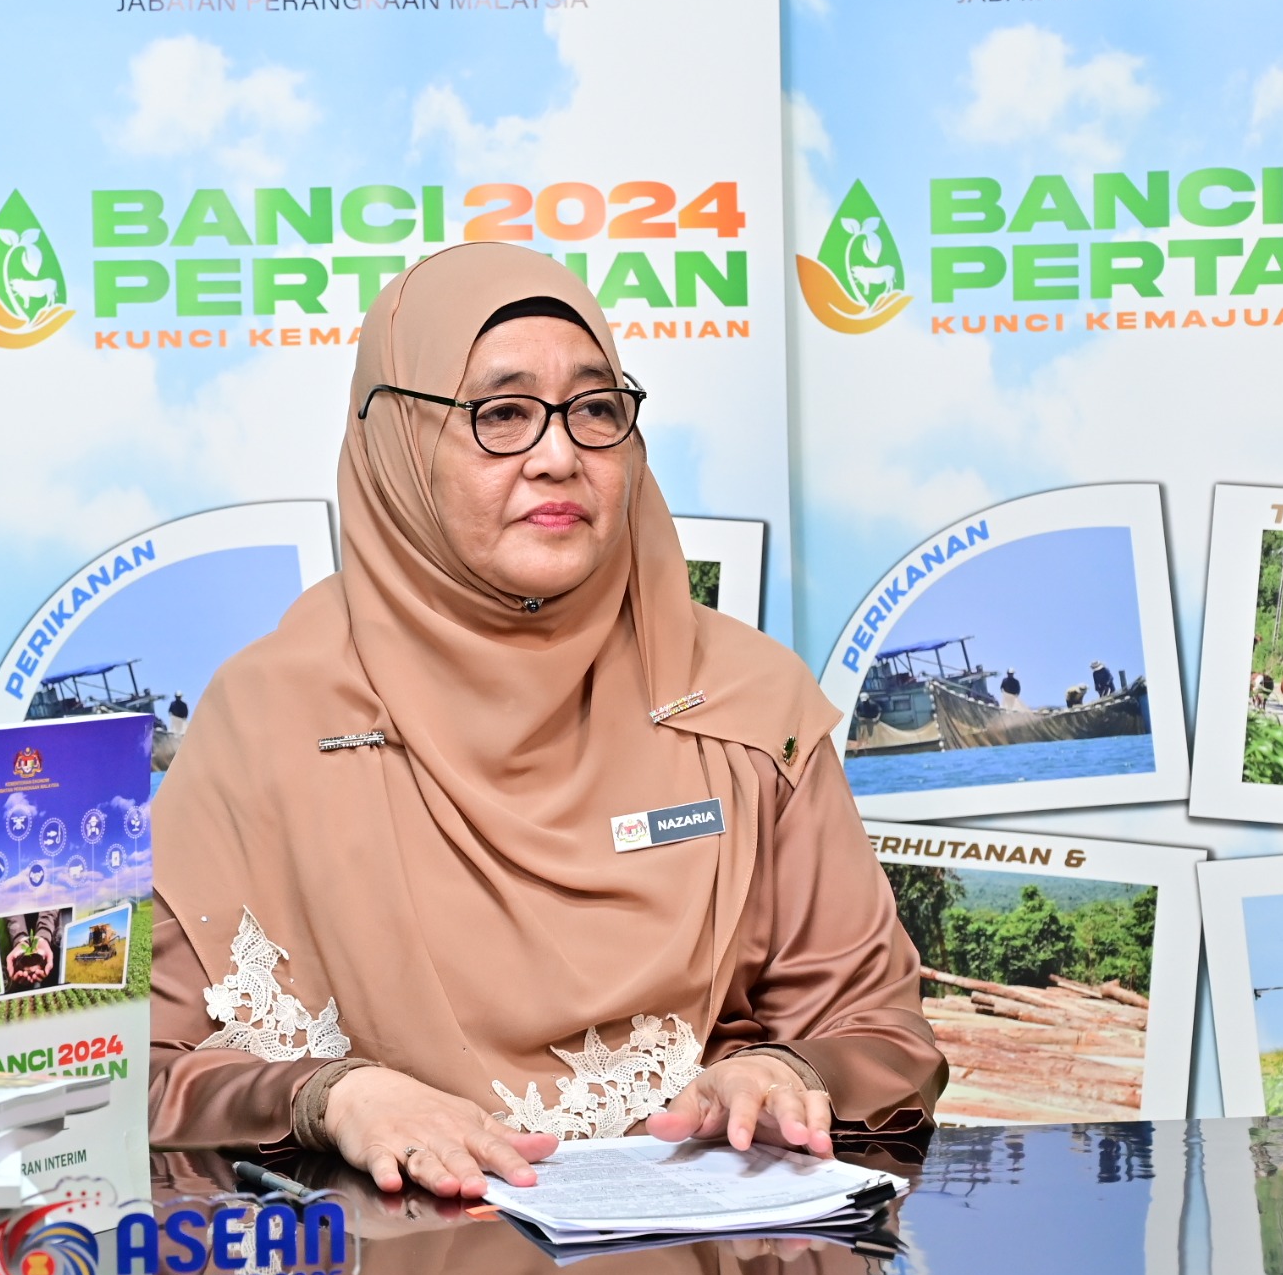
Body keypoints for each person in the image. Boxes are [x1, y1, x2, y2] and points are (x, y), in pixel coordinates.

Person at [147, 244, 943, 1199]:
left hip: (698, 1268)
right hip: (395, 1269)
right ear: (398, 444)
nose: (560, 456)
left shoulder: (744, 706)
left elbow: (881, 1032)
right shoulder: (268, 722)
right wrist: (331, 1097)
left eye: (595, 409)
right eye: (502, 415)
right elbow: (131, 1079)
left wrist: (786, 1073)